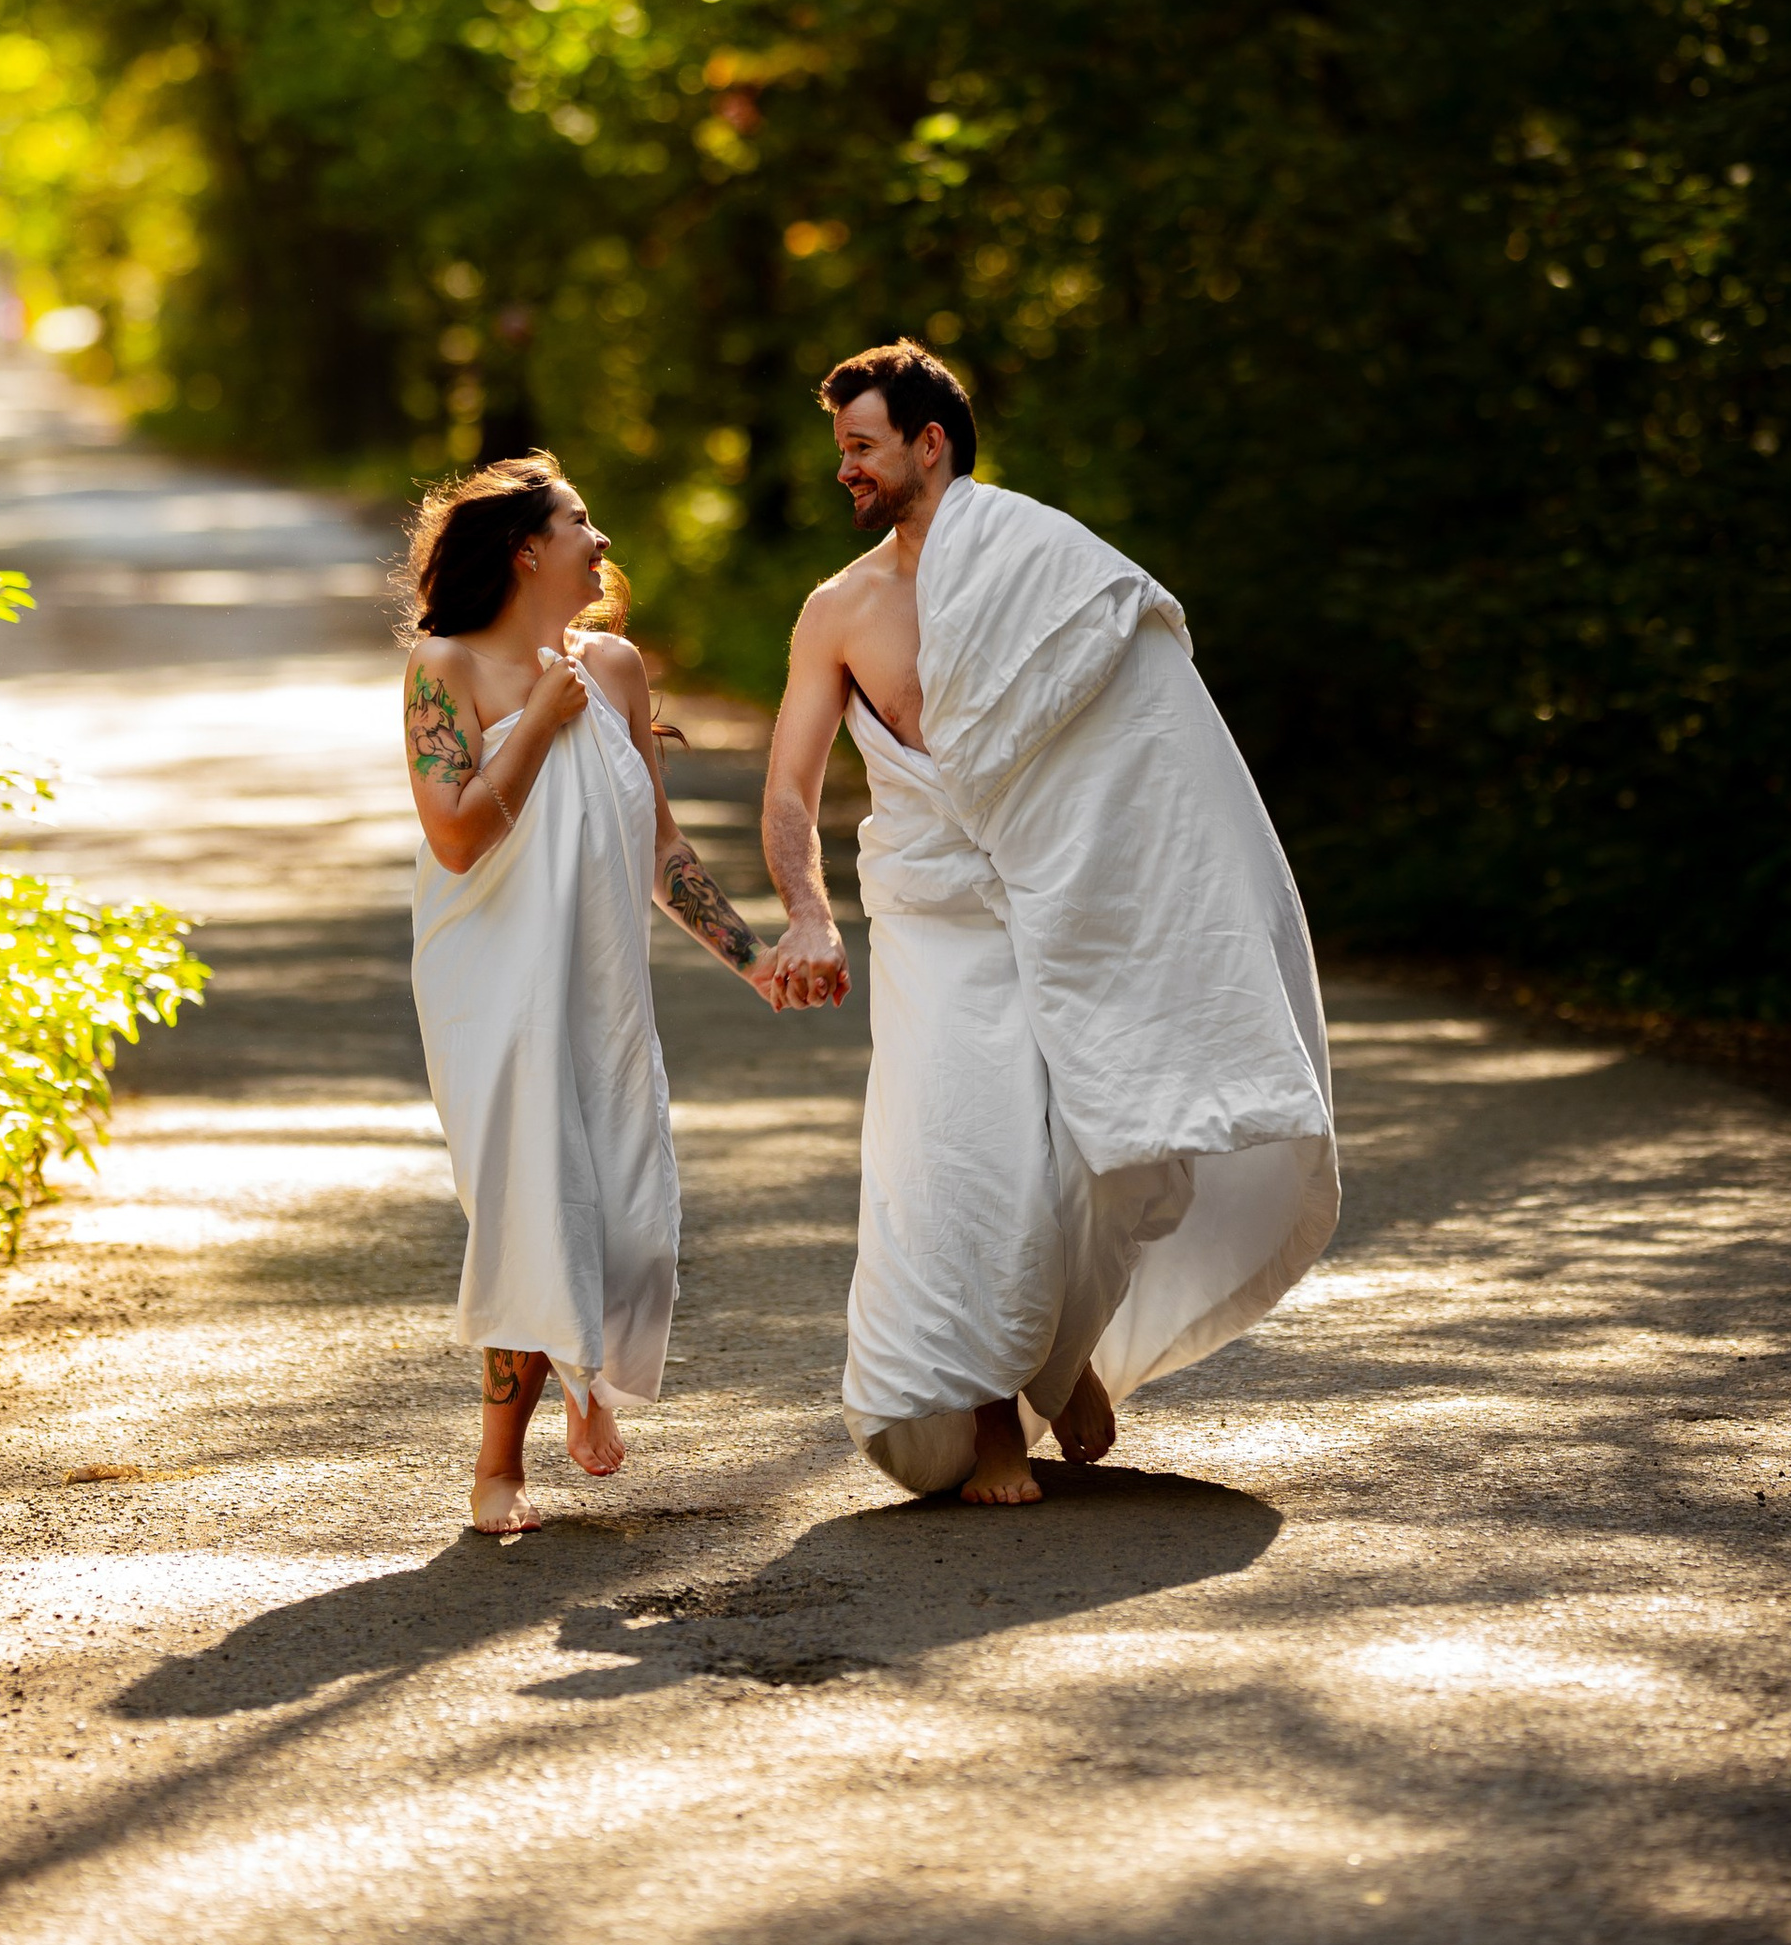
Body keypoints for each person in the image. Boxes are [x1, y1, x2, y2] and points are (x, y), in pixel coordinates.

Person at [761, 339, 1339, 1506]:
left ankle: (1058, 1356)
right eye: (841, 451)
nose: (847, 470)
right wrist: (808, 915)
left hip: (1061, 897)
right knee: (966, 1160)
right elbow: (788, 789)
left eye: (862, 447)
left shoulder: (1046, 561)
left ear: (931, 445)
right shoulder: (837, 609)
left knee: (1093, 1157)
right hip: (934, 917)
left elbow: (1148, 745)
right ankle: (988, 1429)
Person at [405, 455, 783, 1535]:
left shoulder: (615, 669)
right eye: (581, 522)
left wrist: (753, 959)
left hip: (600, 985)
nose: (603, 538)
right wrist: (535, 718)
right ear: (528, 550)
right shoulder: (444, 669)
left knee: (631, 1215)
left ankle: (585, 1372)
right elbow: (459, 835)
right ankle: (499, 1464)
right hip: (489, 982)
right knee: (532, 1201)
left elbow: (662, 848)